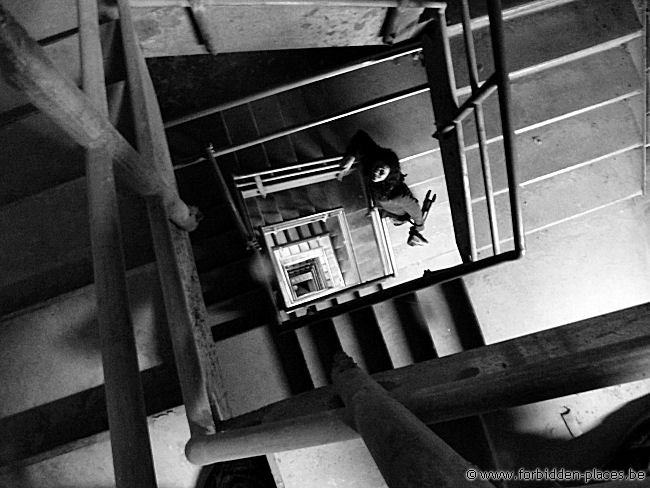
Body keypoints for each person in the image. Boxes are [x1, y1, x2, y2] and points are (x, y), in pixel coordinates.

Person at [337, 130, 426, 235]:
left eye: (382, 172)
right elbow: (360, 136)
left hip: (390, 206)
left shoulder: (396, 194)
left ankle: (394, 216)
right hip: (388, 205)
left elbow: (414, 209)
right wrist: (351, 156)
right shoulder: (373, 157)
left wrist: (419, 225)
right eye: (377, 166)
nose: (376, 172)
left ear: (389, 175)